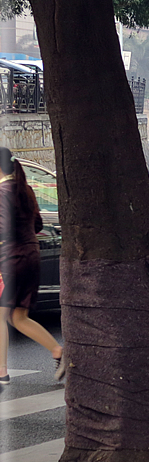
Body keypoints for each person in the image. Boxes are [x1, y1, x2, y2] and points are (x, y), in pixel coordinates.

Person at [0, 148, 64, 385]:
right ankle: (58, 351)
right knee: (18, 316)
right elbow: (36, 223)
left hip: (12, 258)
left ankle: (2, 373)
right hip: (30, 255)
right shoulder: (23, 188)